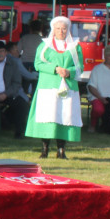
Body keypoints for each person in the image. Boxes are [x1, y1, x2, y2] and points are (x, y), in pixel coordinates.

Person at [25, 15, 83, 159]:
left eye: (64, 28)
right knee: (48, 116)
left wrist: (69, 71)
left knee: (65, 116)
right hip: (48, 86)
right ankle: (44, 149)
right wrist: (55, 68)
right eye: (58, 28)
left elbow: (80, 66)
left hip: (67, 86)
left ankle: (61, 150)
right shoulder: (45, 46)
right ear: (53, 29)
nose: (61, 31)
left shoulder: (75, 46)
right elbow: (38, 64)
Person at [0, 40, 28, 138]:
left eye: (2, 51)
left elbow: (17, 83)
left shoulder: (13, 64)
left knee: (22, 104)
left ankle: (19, 132)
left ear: (6, 52)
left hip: (8, 94)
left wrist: (6, 94)